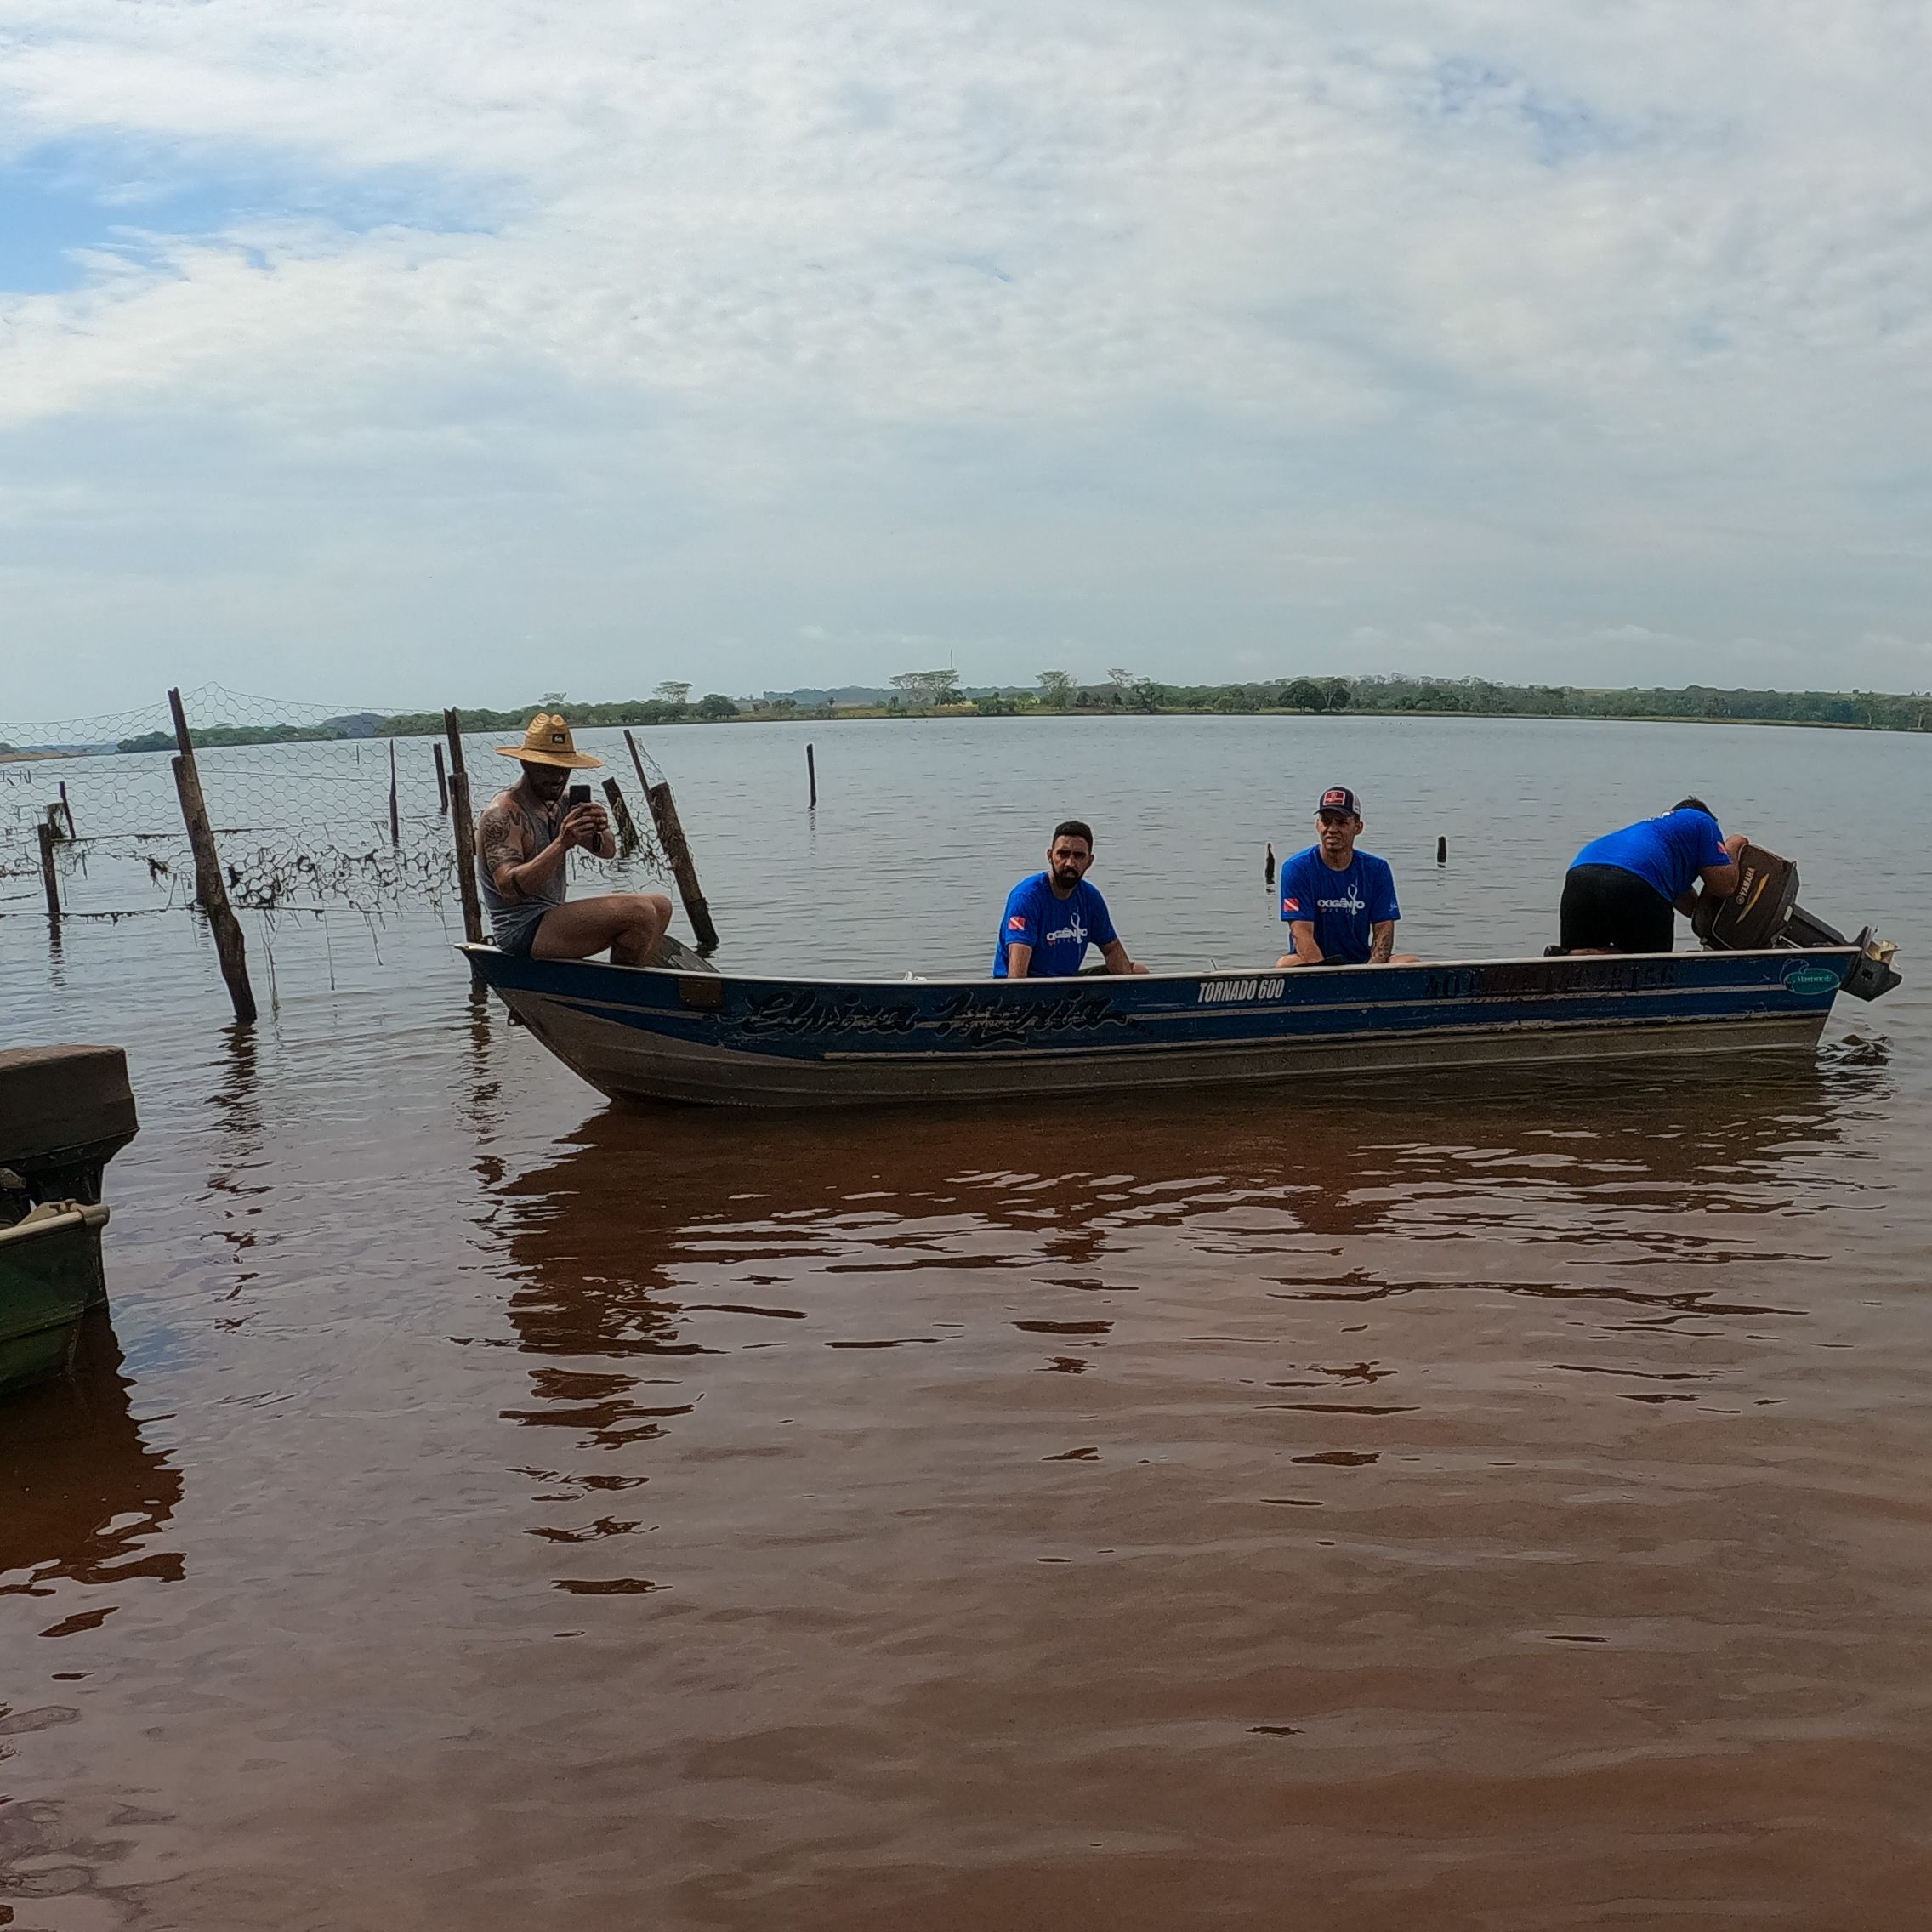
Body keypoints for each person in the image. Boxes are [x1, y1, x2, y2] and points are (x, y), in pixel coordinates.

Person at [476, 713, 673, 964]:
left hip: (552, 916)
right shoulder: (503, 814)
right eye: (548, 769)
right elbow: (509, 889)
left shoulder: (564, 804)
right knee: (639, 912)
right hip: (520, 929)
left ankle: (631, 982)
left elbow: (608, 852)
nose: (557, 777)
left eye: (563, 769)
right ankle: (620, 991)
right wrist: (562, 844)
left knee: (661, 905)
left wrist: (598, 830)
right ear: (526, 765)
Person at [1559, 797, 1748, 954]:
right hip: (1634, 880)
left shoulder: (1659, 839)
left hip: (1580, 875)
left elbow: (1692, 909)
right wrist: (1734, 844)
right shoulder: (1701, 820)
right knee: (1653, 962)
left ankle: (1573, 955)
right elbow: (1725, 886)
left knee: (1577, 970)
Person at [1276, 786, 1414, 967]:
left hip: (1362, 961)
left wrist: (1369, 972)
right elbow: (1301, 933)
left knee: (1410, 962)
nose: (1332, 829)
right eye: (1326, 821)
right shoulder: (1297, 868)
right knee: (1284, 964)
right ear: (1317, 825)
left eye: (1341, 823)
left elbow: (1384, 931)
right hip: (1313, 962)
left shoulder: (1377, 869)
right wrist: (1328, 977)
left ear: (1358, 827)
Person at [992, 820, 1148, 978]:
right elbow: (1017, 976)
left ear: (1090, 861)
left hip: (1066, 985)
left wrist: (1129, 987)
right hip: (1025, 988)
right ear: (1050, 856)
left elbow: (1111, 948)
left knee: (1138, 972)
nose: (1070, 863)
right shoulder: (1026, 898)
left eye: (1079, 856)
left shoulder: (1090, 897)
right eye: (1063, 854)